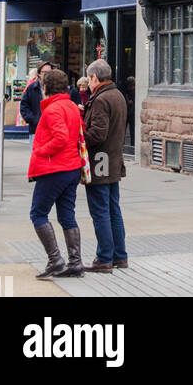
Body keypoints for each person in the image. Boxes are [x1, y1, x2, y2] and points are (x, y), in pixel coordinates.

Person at [27, 68, 85, 278]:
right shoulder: (71, 105)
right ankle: (75, 262)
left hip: (54, 168)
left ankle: (55, 260)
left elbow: (60, 137)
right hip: (71, 168)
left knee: (38, 213)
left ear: (46, 87)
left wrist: (40, 151)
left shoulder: (52, 109)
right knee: (67, 215)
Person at [82, 59, 129, 273]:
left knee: (101, 211)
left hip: (100, 160)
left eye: (89, 79)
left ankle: (104, 258)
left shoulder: (101, 99)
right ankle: (119, 256)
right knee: (113, 209)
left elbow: (98, 134)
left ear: (94, 77)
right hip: (113, 159)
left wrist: (79, 137)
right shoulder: (117, 94)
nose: (89, 85)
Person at [19, 60, 54, 142]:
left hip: (52, 130)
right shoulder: (31, 88)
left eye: (49, 72)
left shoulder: (55, 88)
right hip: (36, 130)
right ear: (39, 74)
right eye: (44, 72)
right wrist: (34, 120)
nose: (47, 75)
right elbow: (24, 107)